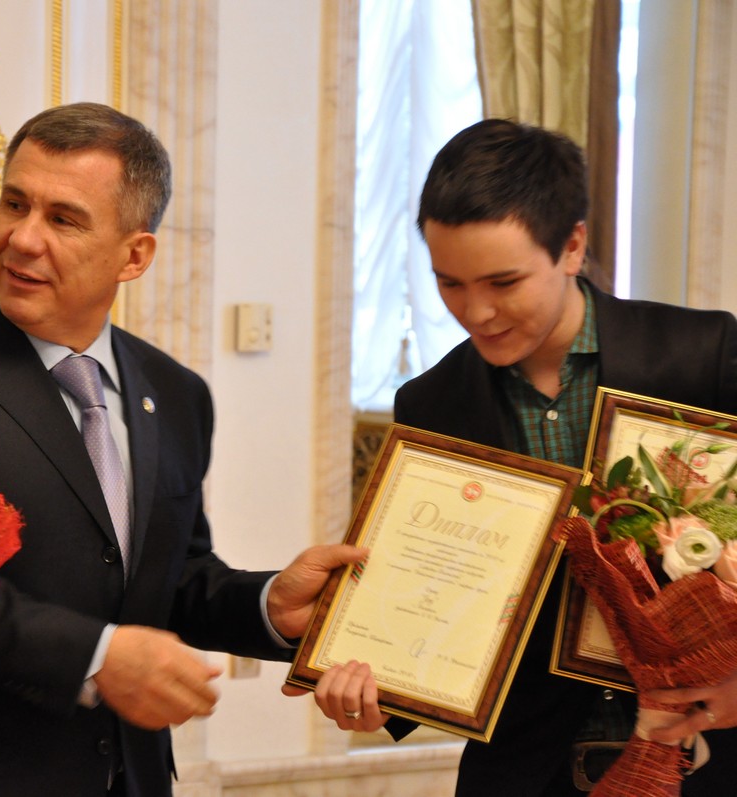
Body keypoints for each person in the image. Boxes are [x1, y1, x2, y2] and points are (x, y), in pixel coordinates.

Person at [0, 101, 363, 796]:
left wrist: (267, 605)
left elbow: (170, 578)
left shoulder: (177, 394)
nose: (22, 238)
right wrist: (97, 657)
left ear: (134, 255)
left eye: (63, 219)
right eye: (15, 203)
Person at [316, 118, 737, 795]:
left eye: (503, 281)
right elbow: (438, 591)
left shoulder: (701, 355)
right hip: (526, 769)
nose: (476, 311)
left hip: (708, 759)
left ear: (572, 246)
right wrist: (377, 688)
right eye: (450, 284)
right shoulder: (432, 402)